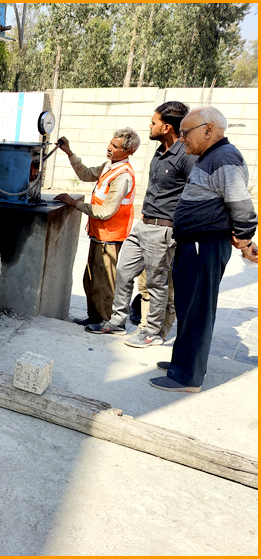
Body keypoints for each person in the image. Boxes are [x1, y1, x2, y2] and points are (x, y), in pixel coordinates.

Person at [149, 106, 258, 393]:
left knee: (197, 309)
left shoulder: (224, 157)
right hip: (195, 244)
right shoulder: (211, 157)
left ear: (208, 130)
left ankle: (187, 376)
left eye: (186, 132)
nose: (182, 138)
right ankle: (184, 362)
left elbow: (241, 203)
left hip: (203, 245)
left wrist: (244, 238)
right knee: (188, 305)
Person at [86, 102, 196, 347]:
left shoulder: (186, 156)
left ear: (167, 127)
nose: (150, 126)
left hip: (164, 228)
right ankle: (117, 321)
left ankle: (152, 332)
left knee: (156, 283)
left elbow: (194, 193)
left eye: (154, 122)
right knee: (124, 272)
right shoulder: (160, 152)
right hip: (143, 224)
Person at [54, 128, 140, 326]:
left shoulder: (123, 175)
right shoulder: (109, 166)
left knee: (103, 283)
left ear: (128, 151)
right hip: (99, 234)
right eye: (110, 143)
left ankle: (106, 322)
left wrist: (75, 204)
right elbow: (85, 174)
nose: (109, 148)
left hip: (110, 237)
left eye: (115, 146)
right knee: (91, 279)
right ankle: (94, 317)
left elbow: (106, 211)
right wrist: (69, 152)